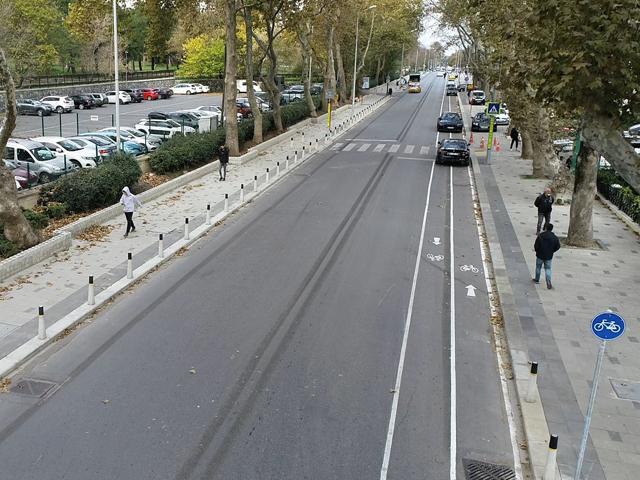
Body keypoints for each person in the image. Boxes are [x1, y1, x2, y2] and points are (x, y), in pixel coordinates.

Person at [533, 223, 561, 289]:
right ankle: (548, 281)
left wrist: (537, 251)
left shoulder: (541, 236)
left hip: (540, 255)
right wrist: (552, 251)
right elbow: (558, 246)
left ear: (545, 228)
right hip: (549, 256)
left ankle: (537, 279)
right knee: (548, 269)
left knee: (538, 267)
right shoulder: (555, 237)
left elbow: (536, 245)